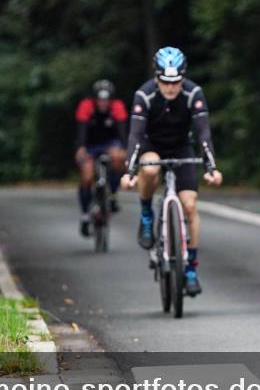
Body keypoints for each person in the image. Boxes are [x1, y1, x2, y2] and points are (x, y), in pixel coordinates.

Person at [121, 46, 223, 296]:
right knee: (151, 168)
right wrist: (130, 171)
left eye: (176, 81)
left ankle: (191, 269)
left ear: (182, 77)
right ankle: (147, 215)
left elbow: (203, 133)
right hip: (151, 146)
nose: (170, 87)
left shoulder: (193, 93)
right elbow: (135, 135)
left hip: (181, 147)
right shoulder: (144, 95)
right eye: (165, 82)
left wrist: (211, 167)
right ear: (156, 78)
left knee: (190, 205)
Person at [74, 79, 128, 237]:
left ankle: (113, 196)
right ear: (94, 99)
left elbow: (122, 130)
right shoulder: (86, 106)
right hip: (90, 144)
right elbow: (81, 130)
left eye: (106, 100)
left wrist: (124, 149)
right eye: (100, 99)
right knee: (87, 175)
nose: (103, 103)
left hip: (109, 143)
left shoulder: (117, 106)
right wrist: (80, 148)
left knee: (118, 158)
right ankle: (85, 215)